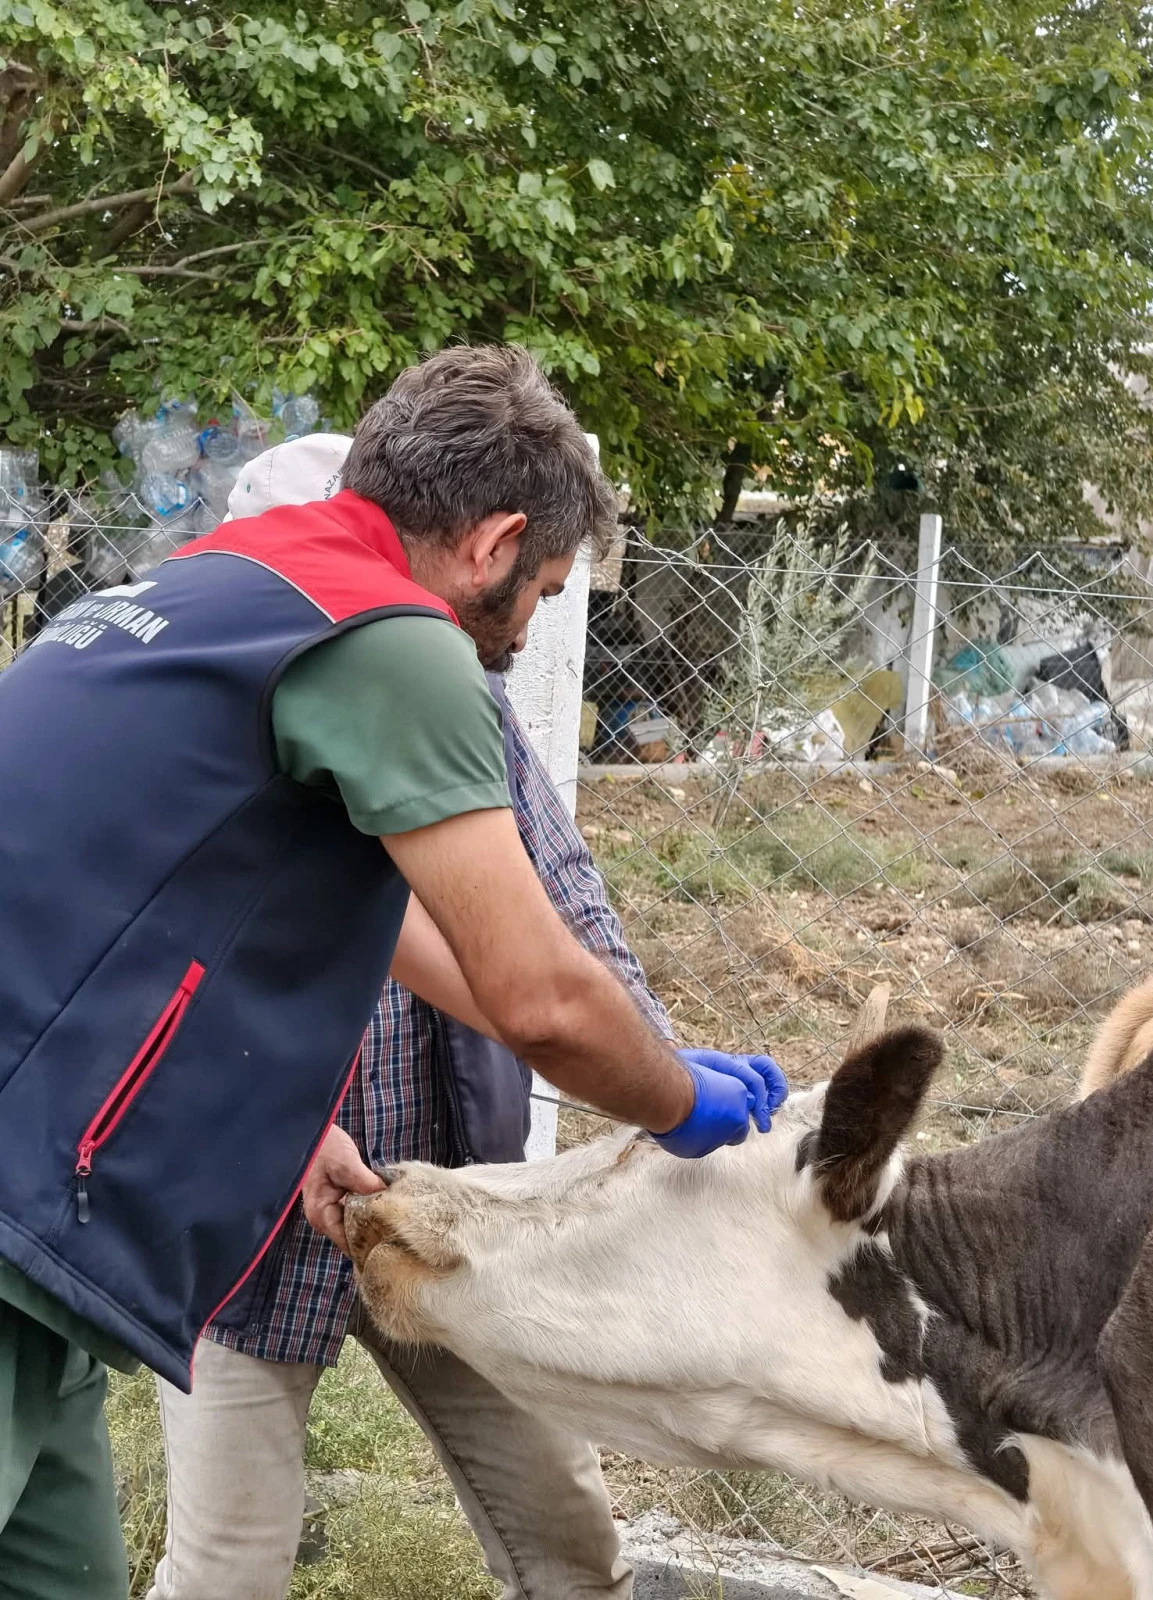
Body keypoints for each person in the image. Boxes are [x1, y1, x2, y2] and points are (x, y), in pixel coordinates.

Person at [0, 344, 786, 1599]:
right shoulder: (392, 642)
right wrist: (677, 1101)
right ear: (497, 543)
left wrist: (629, 1052)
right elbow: (539, 993)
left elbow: (420, 938)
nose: (527, 631)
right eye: (544, 591)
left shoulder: (220, 587)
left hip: (54, 1222)